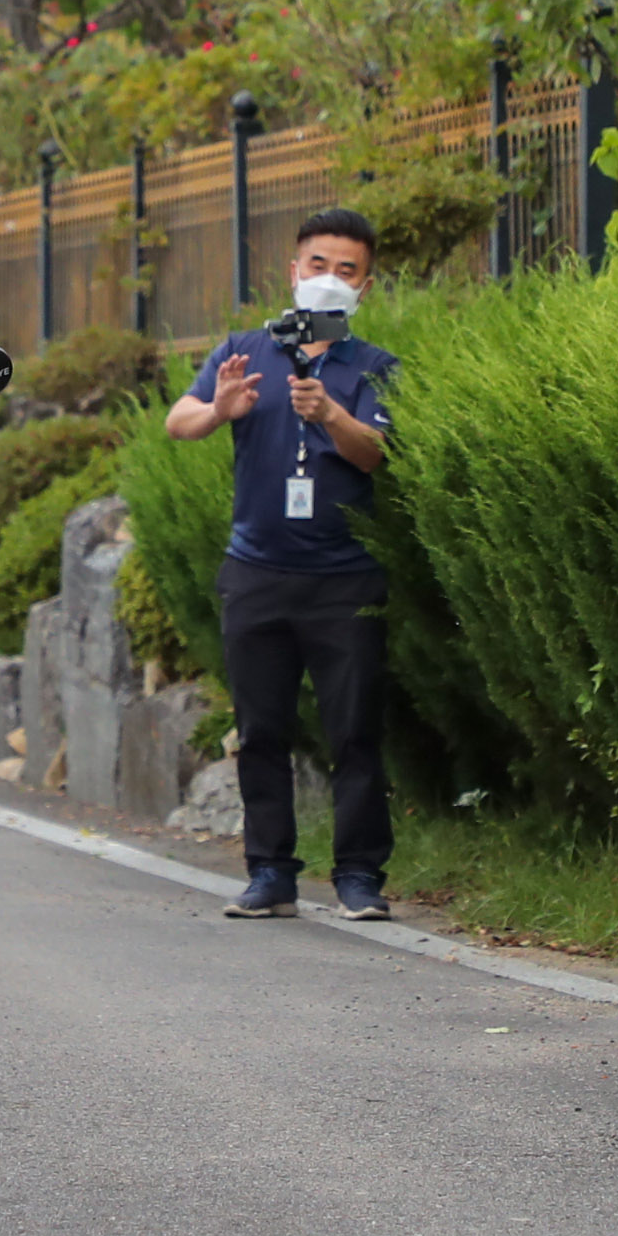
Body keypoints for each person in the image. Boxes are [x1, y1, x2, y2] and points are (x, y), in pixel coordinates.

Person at [164, 208, 397, 921]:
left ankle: (359, 875)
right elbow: (180, 420)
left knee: (353, 730)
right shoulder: (246, 349)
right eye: (318, 265)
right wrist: (221, 408)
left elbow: (379, 454)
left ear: (365, 285)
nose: (330, 280)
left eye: (347, 270)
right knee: (261, 728)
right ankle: (270, 871)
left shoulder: (372, 367)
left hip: (344, 575)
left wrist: (331, 412)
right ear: (294, 271)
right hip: (257, 570)